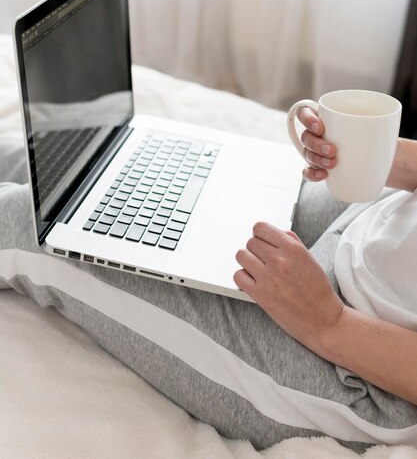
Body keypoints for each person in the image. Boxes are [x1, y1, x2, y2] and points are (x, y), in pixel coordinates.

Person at [0, 107, 417, 452]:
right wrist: (382, 158)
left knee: (45, 227)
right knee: (107, 164)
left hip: (367, 366)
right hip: (372, 219)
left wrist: (329, 322)